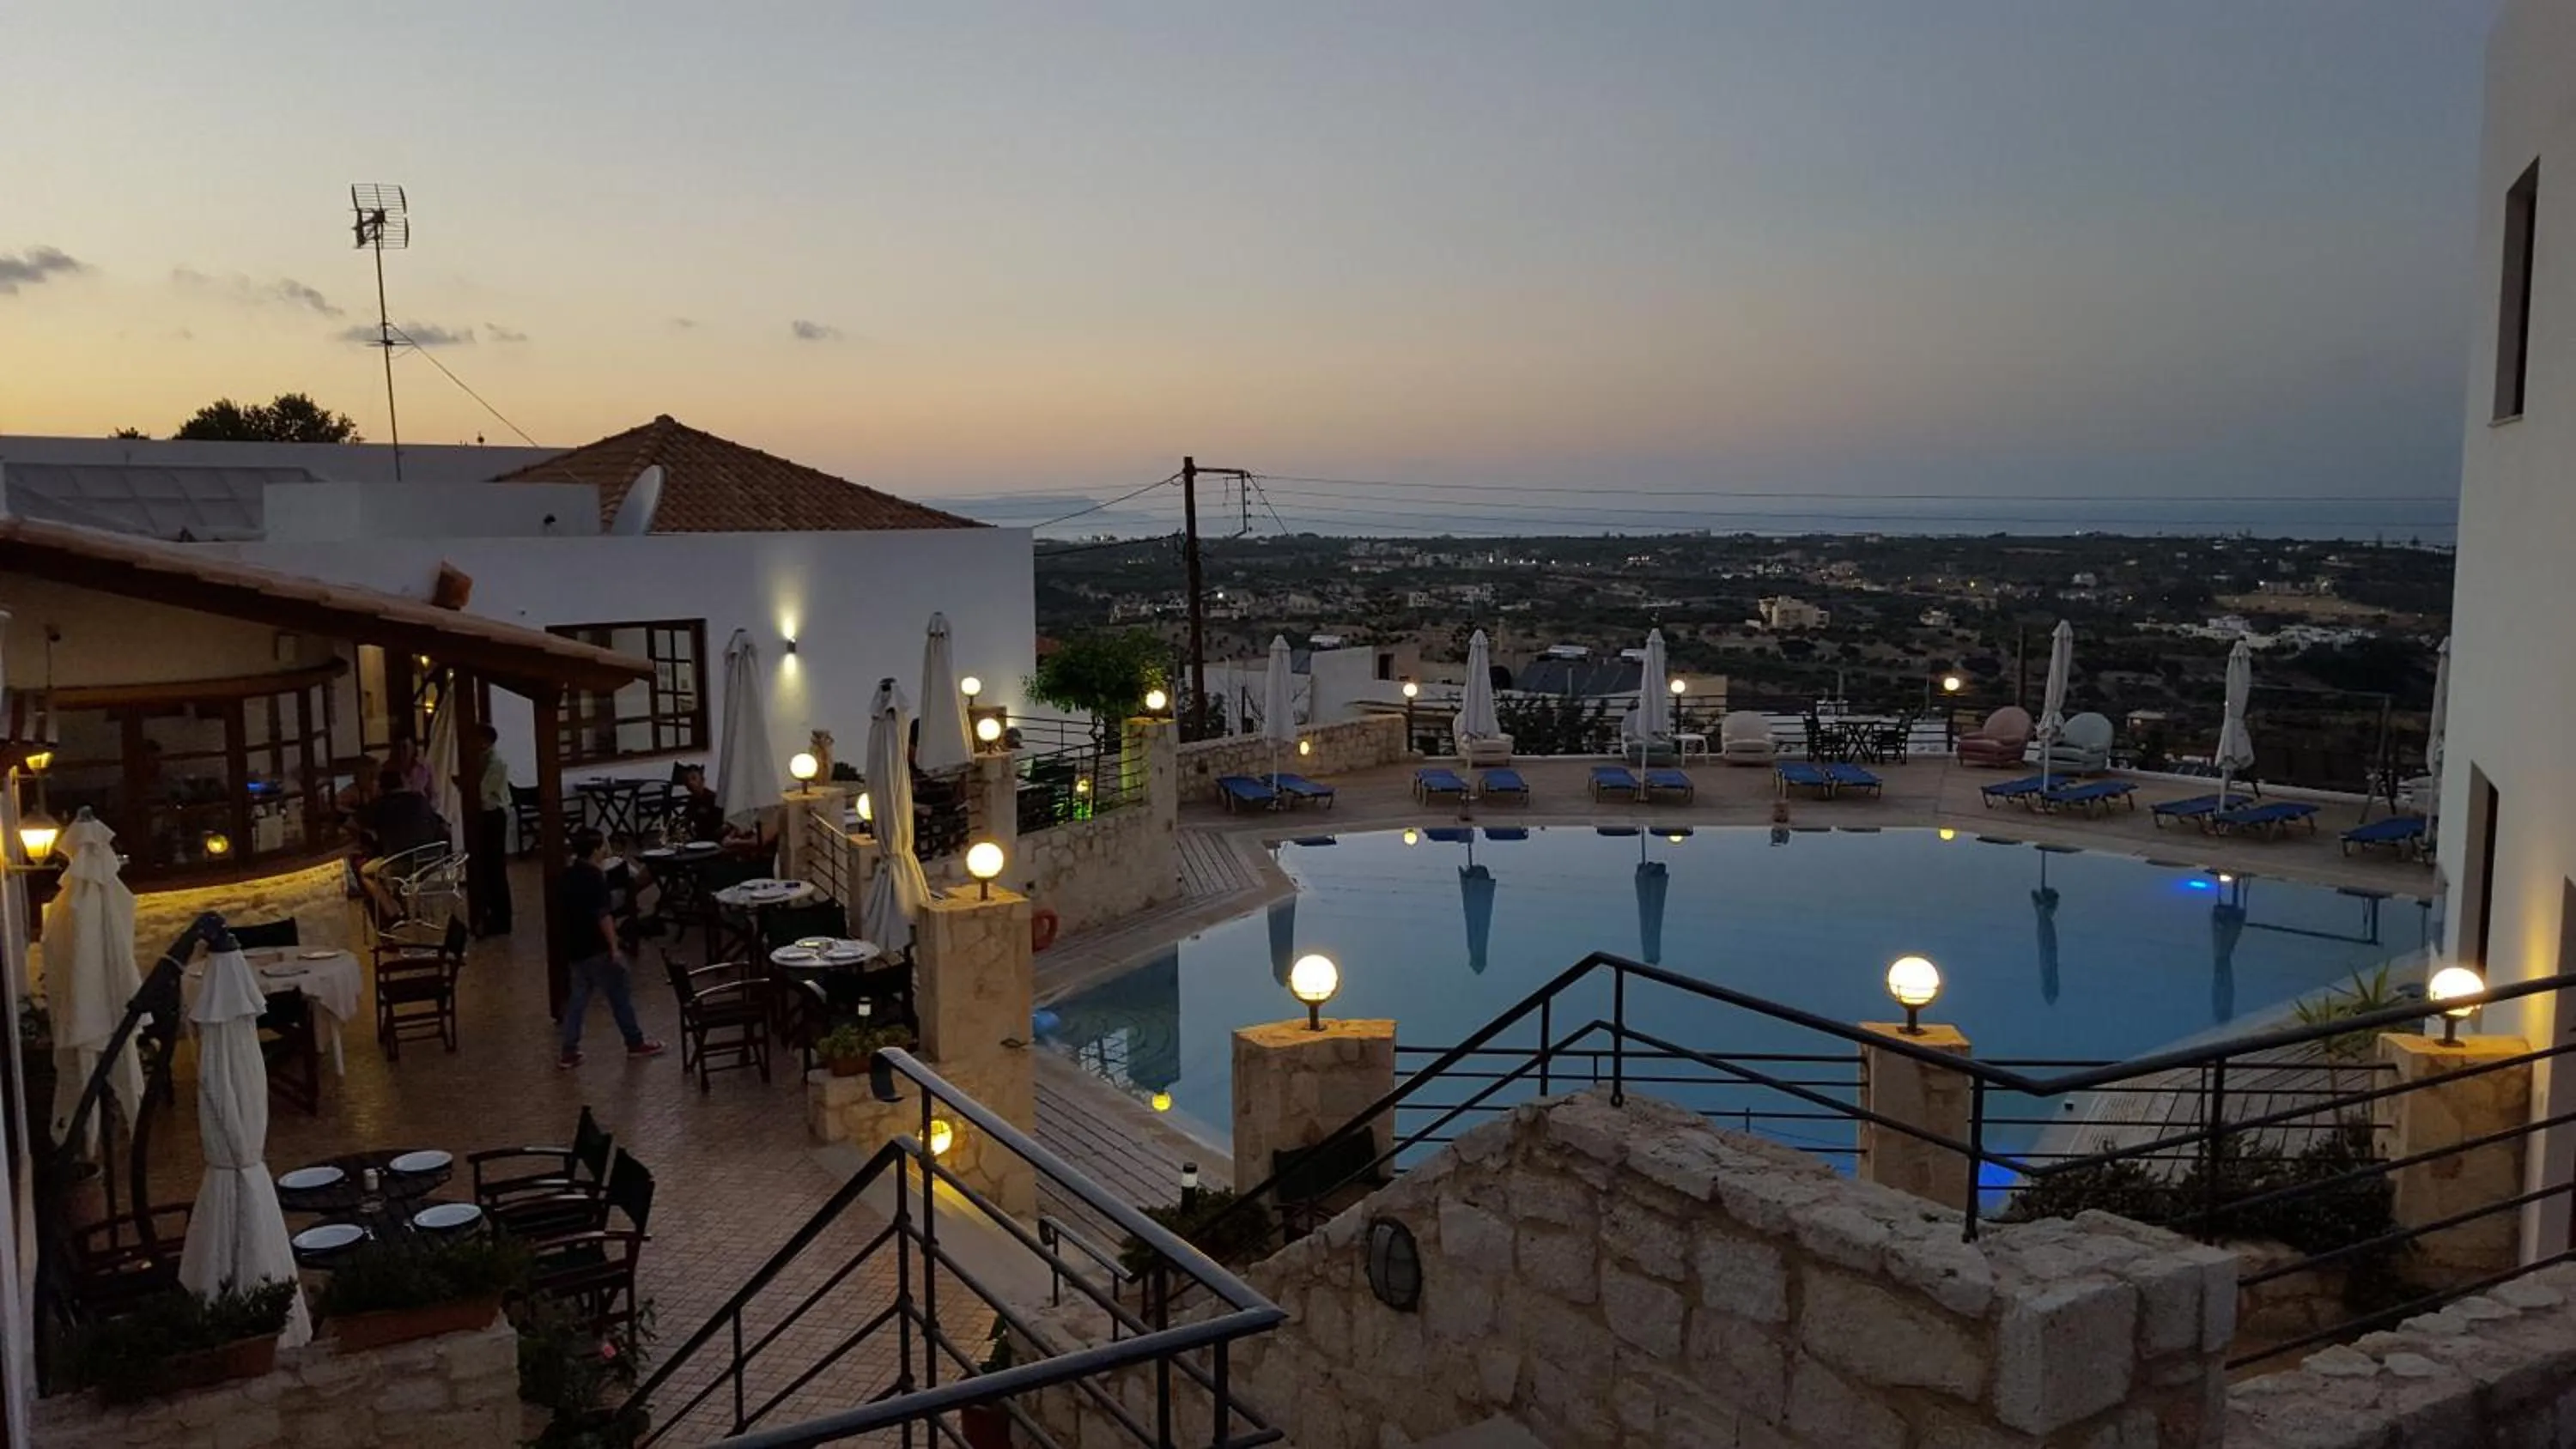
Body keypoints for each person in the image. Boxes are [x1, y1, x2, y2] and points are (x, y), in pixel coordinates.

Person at [556, 827, 665, 1069]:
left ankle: (569, 1049)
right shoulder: (596, 878)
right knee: (619, 994)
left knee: (578, 999)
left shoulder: (567, 876)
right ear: (596, 850)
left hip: (576, 946)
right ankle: (635, 1042)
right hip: (597, 946)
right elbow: (603, 915)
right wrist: (614, 947)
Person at [467, 724, 513, 937]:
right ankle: (489, 916)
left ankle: (501, 920)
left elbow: (483, 791)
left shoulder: (496, 763)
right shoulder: (481, 760)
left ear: (485, 741)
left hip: (493, 816)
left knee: (495, 868)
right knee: (486, 868)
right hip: (485, 816)